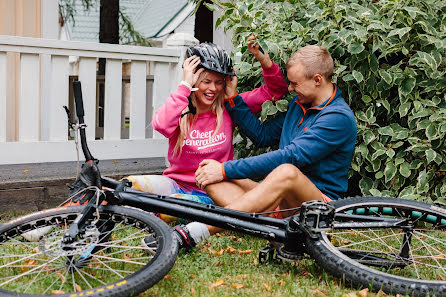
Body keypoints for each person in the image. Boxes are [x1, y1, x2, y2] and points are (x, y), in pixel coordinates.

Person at [169, 45, 357, 250]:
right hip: (283, 203)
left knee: (286, 171)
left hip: (318, 207)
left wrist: (224, 169)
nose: (291, 89)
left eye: (295, 83)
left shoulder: (337, 118)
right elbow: (262, 135)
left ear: (317, 80)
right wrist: (233, 99)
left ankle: (201, 230)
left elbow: (291, 156)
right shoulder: (300, 105)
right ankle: (271, 226)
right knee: (210, 177)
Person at [127, 39, 287, 225]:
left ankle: (143, 215)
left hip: (215, 191)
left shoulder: (229, 107)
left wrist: (263, 59)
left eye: (219, 82)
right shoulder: (180, 107)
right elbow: (161, 125)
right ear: (194, 80)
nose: (213, 89)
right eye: (206, 81)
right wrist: (185, 86)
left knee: (170, 208)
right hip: (175, 184)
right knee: (130, 184)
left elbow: (275, 92)